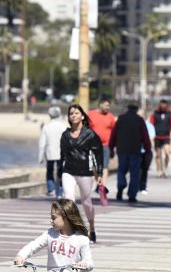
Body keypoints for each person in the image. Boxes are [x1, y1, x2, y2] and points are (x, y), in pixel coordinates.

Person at [60, 104, 103, 243]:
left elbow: (98, 153)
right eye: (71, 113)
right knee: (69, 200)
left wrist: (100, 173)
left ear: (82, 116)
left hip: (85, 172)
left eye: (76, 113)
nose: (73, 115)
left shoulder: (89, 134)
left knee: (86, 202)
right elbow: (62, 155)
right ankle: (73, 228)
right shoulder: (65, 135)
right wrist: (59, 171)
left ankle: (92, 228)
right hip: (69, 171)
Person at [109, 101, 151, 203]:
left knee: (121, 170)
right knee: (134, 173)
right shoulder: (139, 120)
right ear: (136, 110)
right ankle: (132, 195)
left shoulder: (121, 119)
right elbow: (145, 136)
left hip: (122, 150)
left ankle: (121, 186)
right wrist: (148, 149)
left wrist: (111, 147)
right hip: (135, 150)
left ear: (127, 108)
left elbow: (114, 134)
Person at [87, 97, 116, 197]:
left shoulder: (111, 117)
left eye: (109, 106)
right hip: (93, 146)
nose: (108, 108)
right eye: (107, 105)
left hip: (106, 145)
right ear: (100, 104)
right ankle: (100, 185)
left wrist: (113, 146)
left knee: (105, 166)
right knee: (94, 167)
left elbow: (114, 132)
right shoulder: (91, 114)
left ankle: (102, 186)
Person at [38, 106, 67, 197]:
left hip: (50, 152)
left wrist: (40, 157)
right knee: (61, 171)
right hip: (61, 152)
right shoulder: (63, 126)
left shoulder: (46, 127)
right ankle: (61, 189)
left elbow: (42, 143)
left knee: (49, 170)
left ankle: (51, 189)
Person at [149, 99, 171, 178]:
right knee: (158, 155)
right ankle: (159, 170)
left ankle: (165, 168)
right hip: (157, 136)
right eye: (161, 104)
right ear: (160, 104)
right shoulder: (155, 113)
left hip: (166, 136)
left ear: (166, 105)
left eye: (164, 104)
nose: (163, 106)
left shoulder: (170, 113)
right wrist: (151, 135)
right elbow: (151, 125)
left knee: (167, 153)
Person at [139, 119, 156, 196]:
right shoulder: (136, 124)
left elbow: (151, 138)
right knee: (138, 170)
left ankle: (143, 187)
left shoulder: (149, 126)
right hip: (137, 151)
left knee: (144, 170)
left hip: (147, 151)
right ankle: (137, 186)